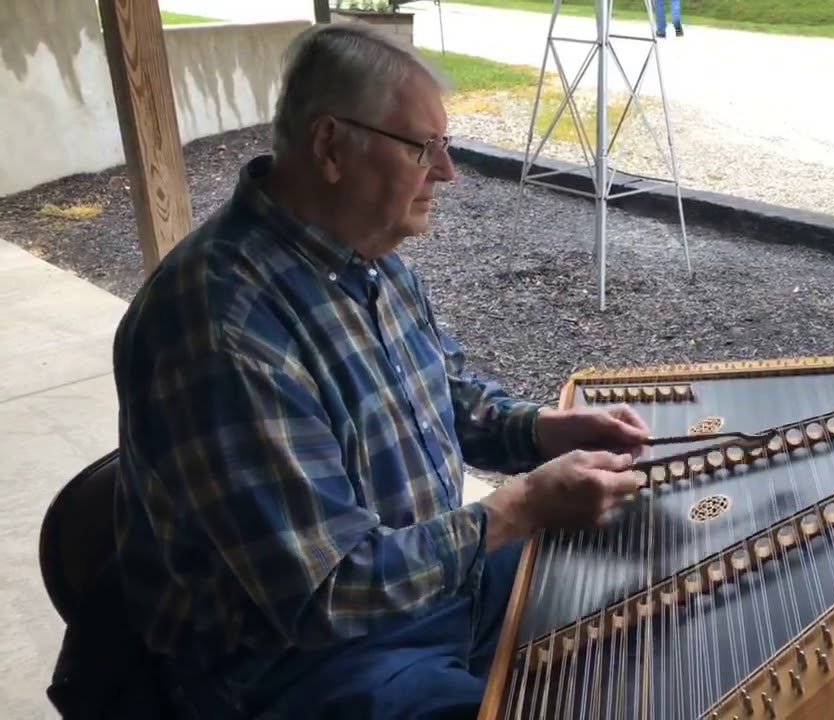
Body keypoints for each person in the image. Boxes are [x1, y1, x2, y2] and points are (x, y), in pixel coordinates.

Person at [109, 22, 651, 719]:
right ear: (331, 145)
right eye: (424, 148)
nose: (448, 172)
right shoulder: (220, 327)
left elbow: (450, 396)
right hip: (297, 666)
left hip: (426, 590)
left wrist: (547, 430)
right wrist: (520, 506)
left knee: (638, 551)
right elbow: (326, 594)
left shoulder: (368, 260)